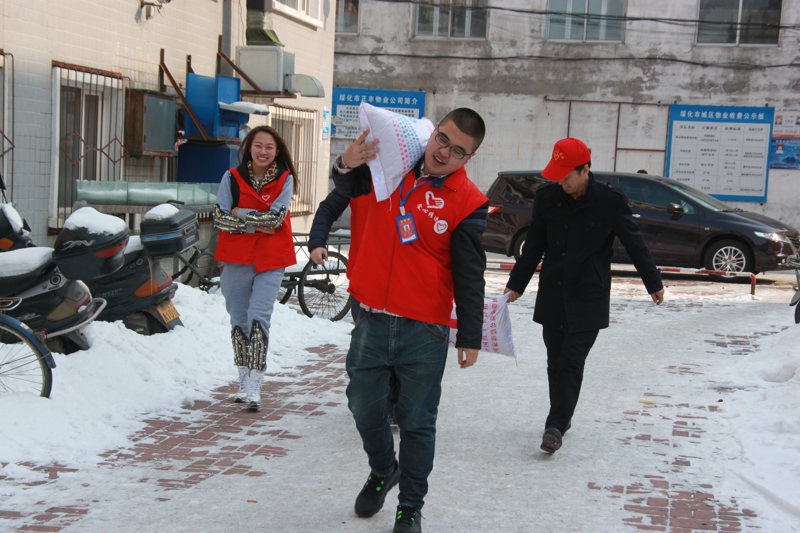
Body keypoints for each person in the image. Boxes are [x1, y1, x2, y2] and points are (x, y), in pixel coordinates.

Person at [331, 108, 489, 533]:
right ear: (434, 131)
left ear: (468, 158)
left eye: (458, 151)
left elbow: (470, 274)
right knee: (363, 407)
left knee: (418, 422)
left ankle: (410, 507)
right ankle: (384, 469)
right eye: (443, 139)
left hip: (425, 328)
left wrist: (469, 336)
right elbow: (346, 186)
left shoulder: (468, 202)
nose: (445, 153)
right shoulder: (392, 165)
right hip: (373, 317)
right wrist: (344, 162)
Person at [504, 137, 664, 454]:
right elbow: (533, 245)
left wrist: (653, 281)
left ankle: (555, 424)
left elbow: (635, 244)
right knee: (555, 362)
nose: (561, 181)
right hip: (553, 291)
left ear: (585, 169)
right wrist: (516, 284)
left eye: (567, 175)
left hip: (588, 294)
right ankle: (562, 418)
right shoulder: (547, 198)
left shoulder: (610, 201)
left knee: (572, 360)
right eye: (557, 175)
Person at [213, 125, 298, 411]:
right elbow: (220, 218)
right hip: (235, 258)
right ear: (249, 147)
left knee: (259, 317)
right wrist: (255, 221)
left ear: (277, 152)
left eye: (269, 147)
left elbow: (277, 219)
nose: (263, 151)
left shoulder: (285, 179)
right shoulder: (231, 178)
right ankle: (242, 377)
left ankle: (255, 384)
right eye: (258, 145)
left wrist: (241, 214)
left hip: (272, 259)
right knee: (239, 319)